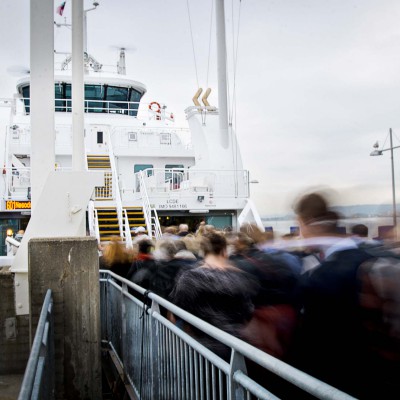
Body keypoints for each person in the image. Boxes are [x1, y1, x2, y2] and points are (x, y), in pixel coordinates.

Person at [170, 231, 258, 360]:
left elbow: (177, 313)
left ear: (203, 252)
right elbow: (248, 313)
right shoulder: (239, 277)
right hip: (233, 348)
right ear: (224, 251)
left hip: (198, 347)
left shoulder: (189, 277)